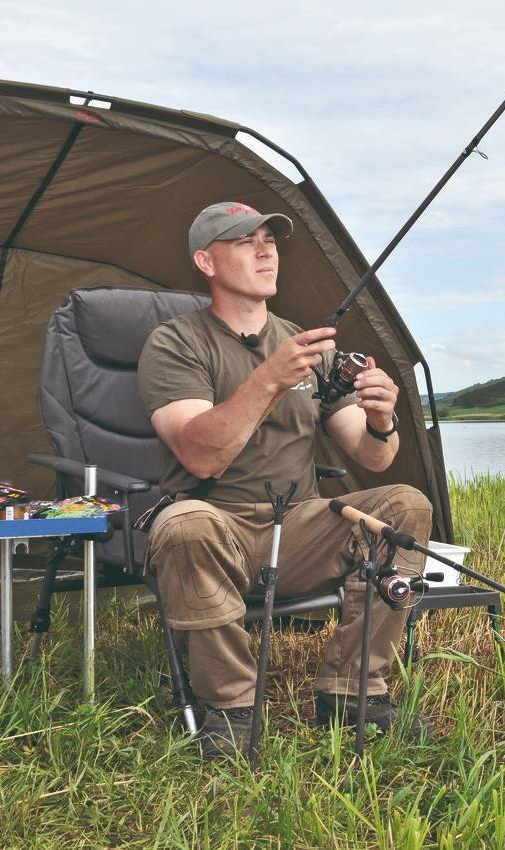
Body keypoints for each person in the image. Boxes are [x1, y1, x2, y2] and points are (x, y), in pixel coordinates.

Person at [139, 201, 433, 760]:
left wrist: (382, 419)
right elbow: (200, 455)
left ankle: (352, 692)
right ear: (206, 261)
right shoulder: (175, 343)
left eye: (270, 240)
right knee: (183, 524)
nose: (265, 251)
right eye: (245, 241)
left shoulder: (306, 345)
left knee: (405, 504)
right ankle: (232, 708)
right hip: (216, 522)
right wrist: (268, 379)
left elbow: (372, 456)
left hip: (298, 525)